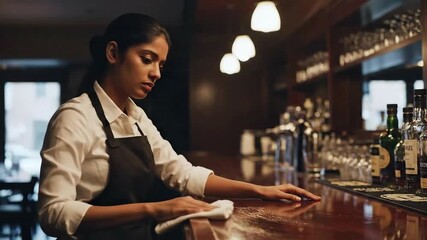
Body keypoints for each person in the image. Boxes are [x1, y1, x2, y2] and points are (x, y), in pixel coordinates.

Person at [37, 13, 321, 240]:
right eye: (147, 59)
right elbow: (53, 213)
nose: (156, 73)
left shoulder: (136, 116)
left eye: (161, 64)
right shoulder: (74, 118)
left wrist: (260, 190)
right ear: (113, 53)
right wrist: (157, 209)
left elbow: (182, 174)